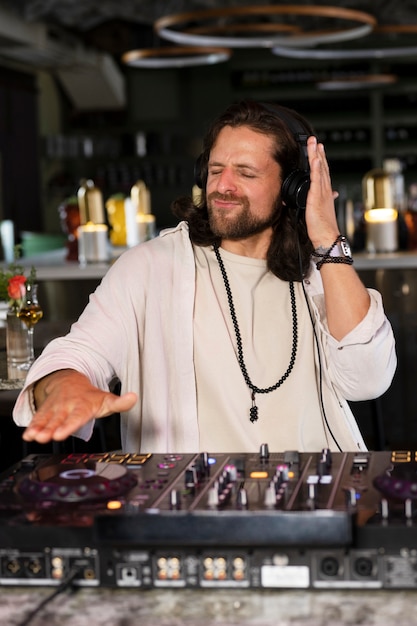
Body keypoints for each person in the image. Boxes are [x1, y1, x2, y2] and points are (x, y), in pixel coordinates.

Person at [13, 99, 396, 453]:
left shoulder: (319, 271)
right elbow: (81, 353)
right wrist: (63, 382)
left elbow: (367, 378)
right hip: (189, 511)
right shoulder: (149, 268)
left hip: (316, 497)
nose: (222, 186)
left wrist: (328, 239)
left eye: (245, 172)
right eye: (214, 170)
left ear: (292, 189)